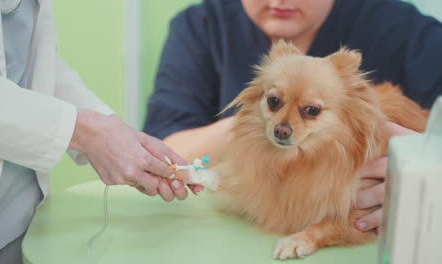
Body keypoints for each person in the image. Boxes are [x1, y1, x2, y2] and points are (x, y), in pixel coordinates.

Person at [143, 0, 442, 236]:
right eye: (273, 101)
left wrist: (427, 174)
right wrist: (251, 123)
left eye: (311, 110)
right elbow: (162, 153)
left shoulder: (405, 31)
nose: (279, 0)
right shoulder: (202, 26)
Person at [0, 1, 202, 263]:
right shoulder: (196, 25)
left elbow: (34, 66)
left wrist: (111, 130)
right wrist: (83, 132)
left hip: (17, 223)